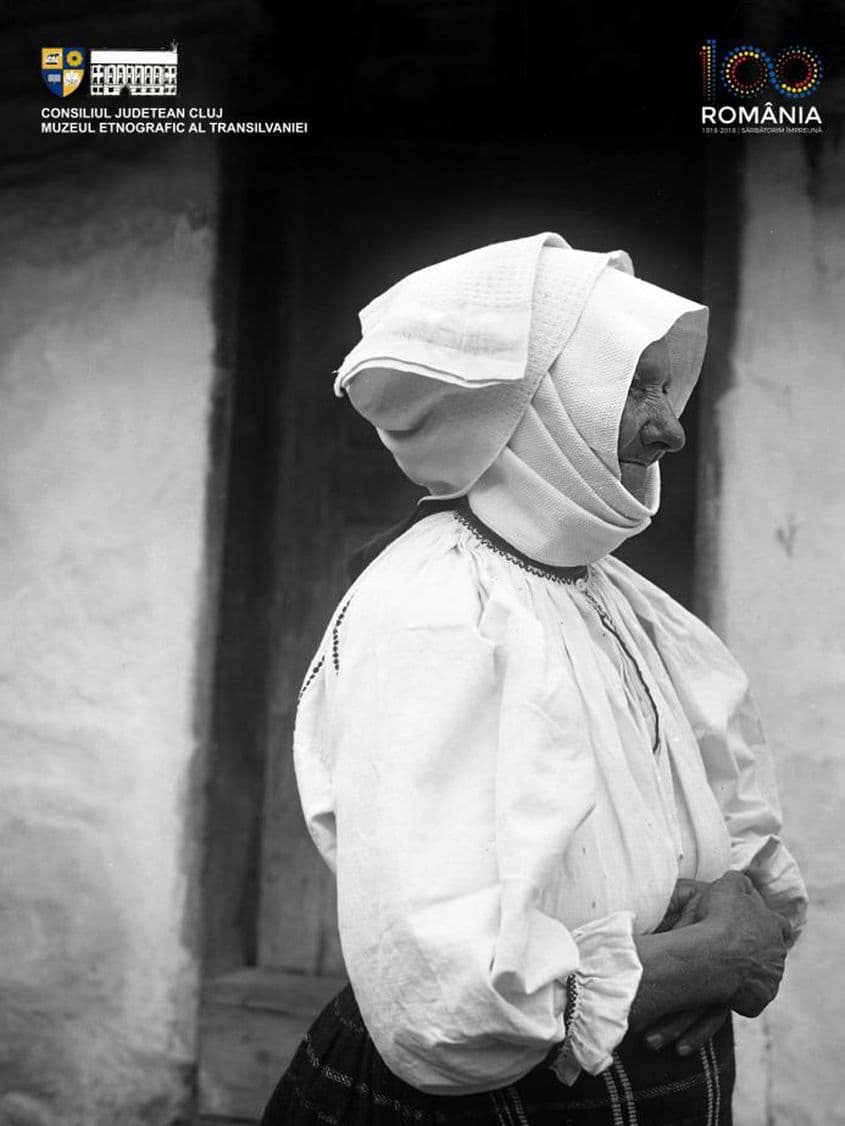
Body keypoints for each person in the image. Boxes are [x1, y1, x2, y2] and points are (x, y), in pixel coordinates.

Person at [260, 232, 807, 1125]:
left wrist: (731, 909)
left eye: (666, 389)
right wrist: (698, 966)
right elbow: (440, 998)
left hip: (644, 1068)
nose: (669, 427)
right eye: (634, 387)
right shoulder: (434, 612)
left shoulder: (609, 595)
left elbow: (716, 816)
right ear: (541, 404)